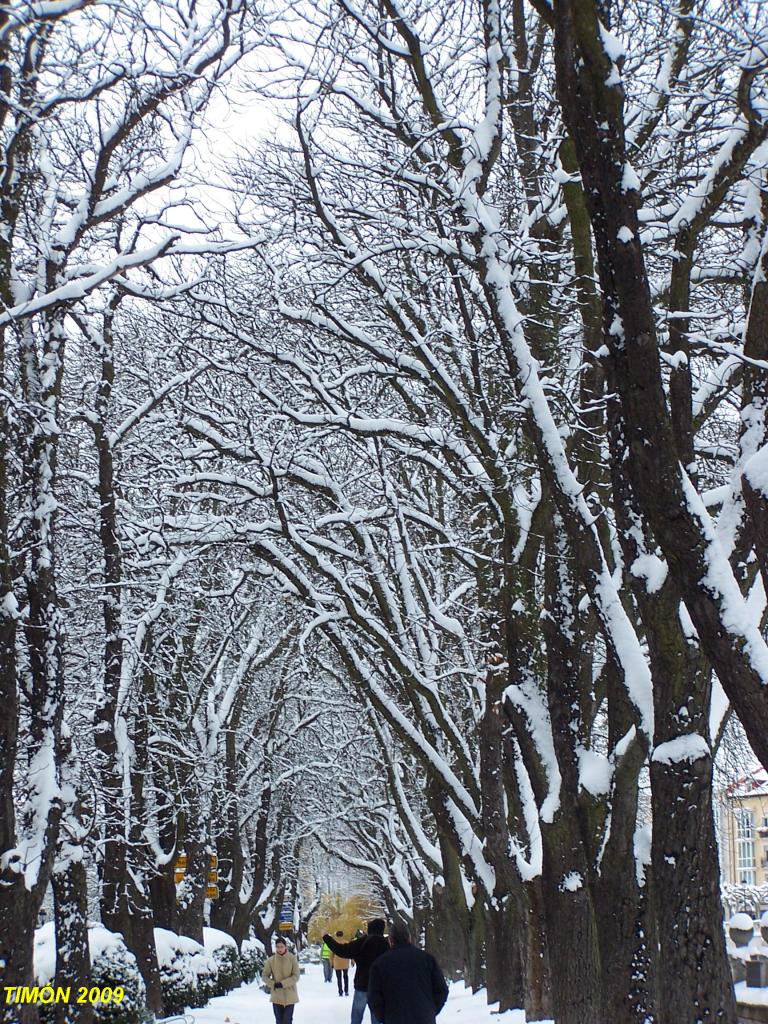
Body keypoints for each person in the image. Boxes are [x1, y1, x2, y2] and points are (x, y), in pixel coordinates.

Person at [367, 920, 448, 1024]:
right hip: (424, 1017)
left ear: (390, 940)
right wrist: (431, 1011)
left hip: (394, 1018)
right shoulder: (427, 959)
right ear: (409, 938)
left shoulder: (379, 964)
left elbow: (373, 997)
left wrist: (384, 1016)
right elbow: (441, 990)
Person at [323, 918, 389, 1024]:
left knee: (356, 1017)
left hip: (362, 984)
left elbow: (342, 950)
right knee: (377, 1018)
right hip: (380, 988)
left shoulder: (363, 942)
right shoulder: (387, 944)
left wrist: (326, 937)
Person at [262, 936, 300, 1024]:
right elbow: (264, 976)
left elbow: (296, 976)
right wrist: (273, 984)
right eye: (278, 947)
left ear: (285, 947)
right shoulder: (271, 960)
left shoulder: (292, 958)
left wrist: (283, 984)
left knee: (287, 1020)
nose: (279, 949)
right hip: (277, 996)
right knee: (279, 1021)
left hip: (290, 995)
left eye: (281, 947)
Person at [332, 929, 351, 996]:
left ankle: (340, 992)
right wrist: (353, 961)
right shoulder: (346, 942)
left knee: (339, 978)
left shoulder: (334, 943)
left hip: (337, 962)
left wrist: (331, 963)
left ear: (336, 935)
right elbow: (351, 952)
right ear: (342, 935)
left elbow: (331, 954)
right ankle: (346, 991)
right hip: (345, 961)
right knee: (346, 976)